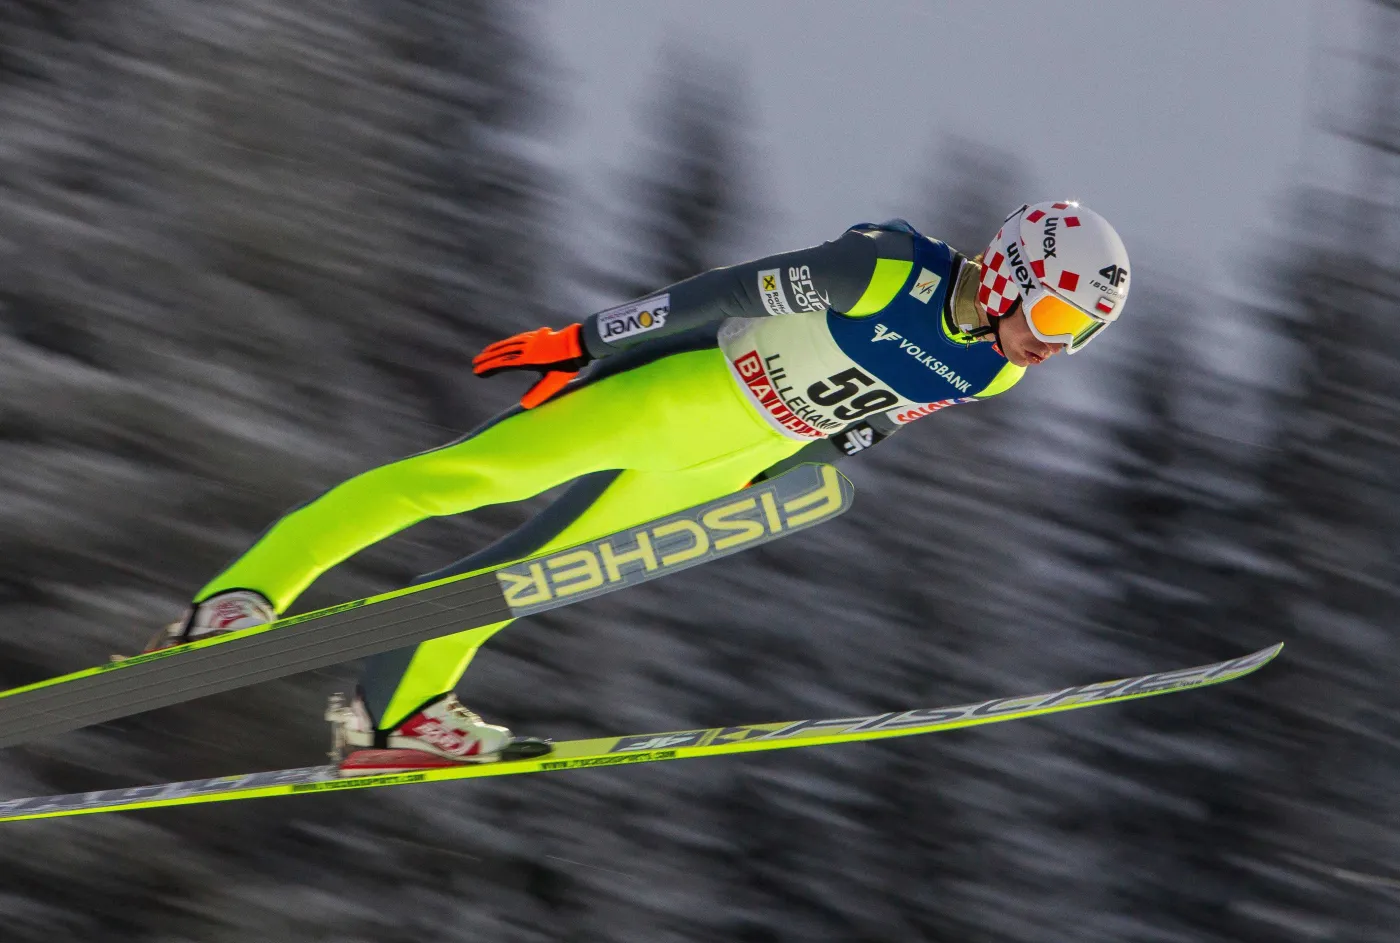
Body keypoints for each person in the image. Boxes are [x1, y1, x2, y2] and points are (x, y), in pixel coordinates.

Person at [147, 201, 1131, 774]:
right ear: (1009, 272)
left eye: (1075, 336)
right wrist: (587, 341)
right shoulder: (887, 271)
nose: (1050, 345)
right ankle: (240, 600)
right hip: (675, 394)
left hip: (724, 461)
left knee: (530, 578)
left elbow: (866, 418)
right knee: (458, 480)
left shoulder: (993, 368)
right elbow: (723, 294)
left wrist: (786, 480)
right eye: (1050, 312)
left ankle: (394, 714)